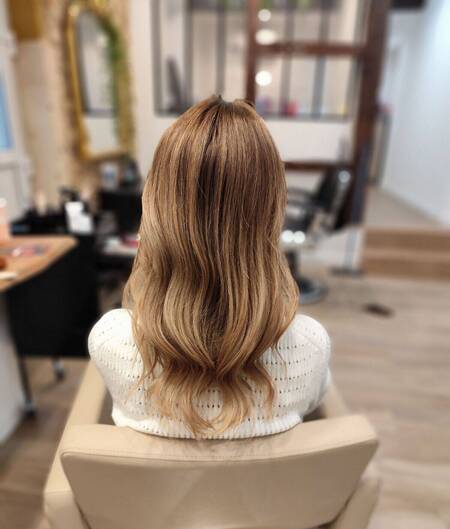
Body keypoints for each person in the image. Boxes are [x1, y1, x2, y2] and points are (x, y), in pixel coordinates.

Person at [89, 96, 330, 439]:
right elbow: (316, 402)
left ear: (156, 206)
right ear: (272, 210)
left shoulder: (110, 340)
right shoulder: (310, 347)